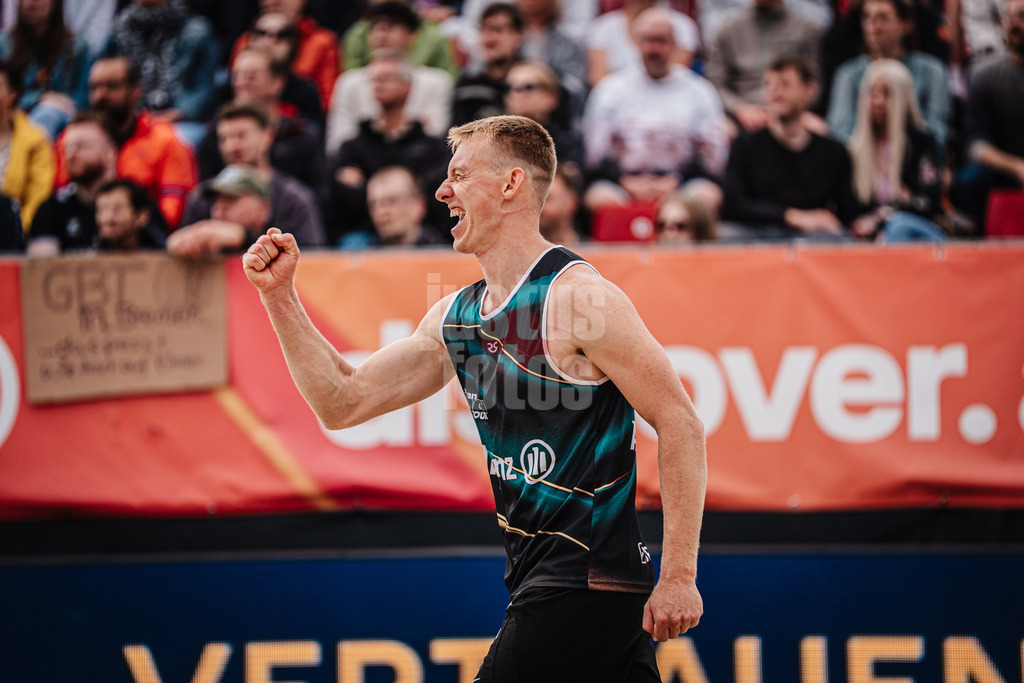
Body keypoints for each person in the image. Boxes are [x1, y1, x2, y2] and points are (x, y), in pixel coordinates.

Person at [242, 114, 706, 681]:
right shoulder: (456, 316)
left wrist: (679, 575)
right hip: (551, 580)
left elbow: (680, 422)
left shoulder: (579, 299)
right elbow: (342, 402)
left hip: (582, 579)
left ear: (511, 184)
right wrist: (280, 297)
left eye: (459, 175)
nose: (442, 191)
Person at [581, 8, 728, 211]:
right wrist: (625, 181)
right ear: (636, 43)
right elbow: (595, 154)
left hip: (681, 182)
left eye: (661, 41)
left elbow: (713, 156)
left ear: (674, 45)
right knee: (599, 198)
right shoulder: (610, 90)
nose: (653, 49)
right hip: (623, 183)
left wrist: (675, 181)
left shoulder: (699, 91)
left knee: (707, 195)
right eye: (648, 40)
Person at [721, 55, 862, 240]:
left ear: (809, 90)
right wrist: (792, 216)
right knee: (725, 235)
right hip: (757, 233)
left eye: (785, 84)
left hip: (811, 238)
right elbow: (732, 205)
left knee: (839, 238)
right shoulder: (746, 145)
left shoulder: (834, 152)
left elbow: (848, 214)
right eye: (768, 84)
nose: (775, 91)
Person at [54, 56, 197, 230]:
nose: (100, 95)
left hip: (143, 238)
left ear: (135, 91)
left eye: (112, 86)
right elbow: (60, 200)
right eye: (94, 87)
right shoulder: (72, 139)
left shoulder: (164, 140)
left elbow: (171, 214)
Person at [329, 51, 450, 241]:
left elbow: (437, 198)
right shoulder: (352, 147)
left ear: (407, 87)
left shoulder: (431, 147)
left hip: (422, 239)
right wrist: (406, 189)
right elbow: (340, 200)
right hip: (366, 238)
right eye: (373, 80)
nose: (378, 85)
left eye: (386, 78)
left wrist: (364, 186)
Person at [184, 103, 325, 248]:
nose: (231, 146)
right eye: (224, 138)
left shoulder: (294, 198)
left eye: (241, 136)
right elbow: (178, 248)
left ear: (267, 136)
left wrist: (244, 238)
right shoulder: (202, 195)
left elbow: (315, 254)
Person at [196, 47, 327, 202]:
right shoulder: (214, 134)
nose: (241, 83)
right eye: (236, 76)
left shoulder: (300, 135)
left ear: (277, 82)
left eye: (251, 77)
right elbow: (205, 198)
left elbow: (320, 198)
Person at [847, 59, 947, 241]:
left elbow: (928, 204)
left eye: (886, 94)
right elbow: (851, 211)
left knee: (899, 227)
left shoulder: (921, 141)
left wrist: (882, 218)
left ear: (902, 97)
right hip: (870, 237)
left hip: (917, 231)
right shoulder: (856, 148)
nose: (878, 102)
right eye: (873, 94)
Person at [826, 0, 951, 146]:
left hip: (915, 156)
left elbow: (938, 133)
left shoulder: (932, 71)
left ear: (905, 25)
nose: (874, 26)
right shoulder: (848, 74)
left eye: (883, 18)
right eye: (867, 17)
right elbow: (839, 134)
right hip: (861, 157)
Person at [327, 14, 453, 154]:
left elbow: (436, 135)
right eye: (374, 80)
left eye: (391, 26)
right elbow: (337, 143)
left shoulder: (437, 81)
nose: (382, 33)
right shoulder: (348, 81)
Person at [951, 0, 1024, 234]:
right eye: (1009, 17)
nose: (1014, 24)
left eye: (1022, 16)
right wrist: (1016, 166)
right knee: (967, 182)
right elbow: (976, 145)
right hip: (1004, 168)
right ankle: (980, 243)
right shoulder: (985, 76)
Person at [705, 0, 824, 135]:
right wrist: (739, 108)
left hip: (792, 111)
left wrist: (791, 111)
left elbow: (813, 83)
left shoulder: (807, 29)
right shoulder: (727, 29)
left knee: (817, 128)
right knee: (721, 131)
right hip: (741, 112)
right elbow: (714, 84)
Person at [105, 0, 218, 132]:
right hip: (129, 117)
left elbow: (204, 86)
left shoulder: (196, 31)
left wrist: (180, 113)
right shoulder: (119, 31)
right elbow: (103, 79)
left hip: (180, 120)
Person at [26, 112, 118, 255]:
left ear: (109, 153)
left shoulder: (133, 204)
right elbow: (41, 265)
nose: (70, 155)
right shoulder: (51, 209)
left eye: (81, 146)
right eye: (67, 147)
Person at [0, 0, 92, 140]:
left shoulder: (77, 47)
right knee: (47, 115)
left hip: (68, 123)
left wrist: (61, 103)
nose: (31, 2)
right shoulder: (4, 46)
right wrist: (39, 98)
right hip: (12, 123)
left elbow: (85, 99)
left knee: (50, 115)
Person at [229, 0, 340, 110]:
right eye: (261, 33)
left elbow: (326, 102)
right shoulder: (243, 43)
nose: (269, 41)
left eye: (282, 35)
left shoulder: (322, 43)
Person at [169, 164, 278, 258]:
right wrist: (178, 244)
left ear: (262, 208)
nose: (219, 210)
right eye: (216, 201)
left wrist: (244, 237)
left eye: (231, 199)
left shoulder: (283, 232)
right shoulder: (209, 237)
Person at [586, 0, 699, 87]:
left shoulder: (683, 27)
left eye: (660, 40)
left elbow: (674, 75)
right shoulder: (602, 28)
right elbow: (600, 84)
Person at [0, 57, 55, 232]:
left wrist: (14, 232)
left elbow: (38, 199)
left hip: (14, 236)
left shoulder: (36, 140)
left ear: (13, 94)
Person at [343, 0, 458, 79]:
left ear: (411, 35)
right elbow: (352, 71)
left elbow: (448, 79)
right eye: (378, 27)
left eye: (391, 26)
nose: (382, 34)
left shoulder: (435, 35)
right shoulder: (357, 34)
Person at [339, 165, 448, 248]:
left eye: (392, 202)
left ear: (418, 207)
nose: (381, 211)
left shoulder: (444, 257)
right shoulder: (361, 256)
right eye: (373, 204)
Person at [451, 3, 524, 126]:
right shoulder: (468, 85)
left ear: (517, 36)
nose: (489, 39)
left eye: (497, 30)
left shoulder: (533, 85)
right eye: (484, 29)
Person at [503, 60, 582, 170]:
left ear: (550, 97)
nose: (515, 94)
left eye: (528, 87)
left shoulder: (567, 145)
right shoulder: (495, 140)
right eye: (508, 88)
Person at [94, 178, 167, 251]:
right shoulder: (90, 252)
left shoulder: (161, 250)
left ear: (141, 216)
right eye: (101, 210)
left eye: (117, 209)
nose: (107, 218)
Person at [538, 162, 584, 245]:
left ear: (571, 203)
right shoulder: (517, 250)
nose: (538, 206)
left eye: (547, 199)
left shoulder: (596, 249)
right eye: (534, 199)